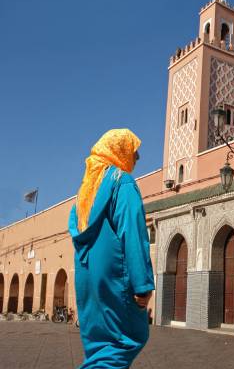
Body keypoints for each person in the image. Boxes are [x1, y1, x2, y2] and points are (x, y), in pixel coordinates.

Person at [68, 129, 155, 368]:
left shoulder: (85, 191)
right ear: (118, 151)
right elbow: (132, 231)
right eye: (133, 151)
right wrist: (142, 283)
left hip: (88, 278)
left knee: (99, 346)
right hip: (115, 276)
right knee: (126, 340)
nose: (137, 157)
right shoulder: (121, 181)